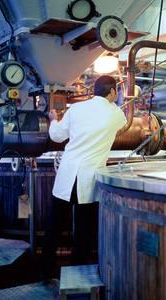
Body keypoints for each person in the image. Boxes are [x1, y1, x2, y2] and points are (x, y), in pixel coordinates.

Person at [40, 75, 126, 279]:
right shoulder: (116, 115)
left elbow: (57, 136)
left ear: (93, 91)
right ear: (112, 92)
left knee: (54, 227)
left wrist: (53, 120)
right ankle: (75, 275)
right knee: (83, 231)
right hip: (87, 180)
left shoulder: (76, 109)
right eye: (117, 91)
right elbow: (124, 122)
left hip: (67, 175)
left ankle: (45, 271)